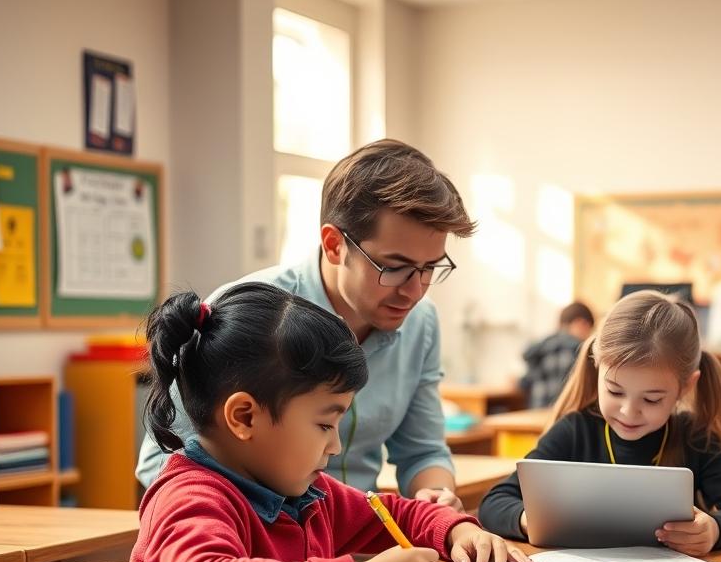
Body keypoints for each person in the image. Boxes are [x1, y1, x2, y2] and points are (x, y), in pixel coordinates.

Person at [116, 284, 531, 562]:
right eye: (324, 425)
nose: (335, 446)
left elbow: (394, 514)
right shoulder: (189, 497)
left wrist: (455, 530)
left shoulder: (307, 493)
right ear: (244, 417)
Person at [137, 139, 472, 509]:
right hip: (257, 536)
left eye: (430, 268)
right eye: (394, 267)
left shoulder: (421, 323)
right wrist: (278, 523)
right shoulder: (249, 315)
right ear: (334, 244)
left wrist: (437, 497)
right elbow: (164, 462)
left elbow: (423, 452)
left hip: (357, 529)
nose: (415, 290)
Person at [479, 290, 721, 555]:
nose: (629, 412)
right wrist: (529, 519)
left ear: (685, 387)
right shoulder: (575, 432)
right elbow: (494, 502)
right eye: (615, 391)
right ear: (597, 367)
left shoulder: (696, 439)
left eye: (652, 399)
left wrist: (715, 530)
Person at [520, 301, 595, 409]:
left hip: (537, 410)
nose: (588, 335)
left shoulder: (542, 347)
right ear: (580, 323)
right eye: (589, 328)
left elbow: (526, 382)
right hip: (563, 412)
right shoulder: (576, 349)